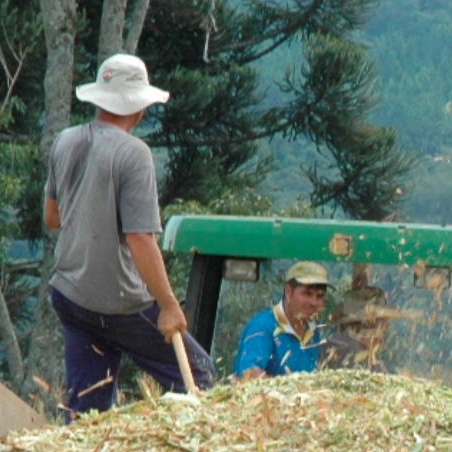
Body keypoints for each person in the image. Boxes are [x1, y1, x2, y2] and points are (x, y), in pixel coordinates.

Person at [43, 53, 216, 422]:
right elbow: (140, 239)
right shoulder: (134, 153)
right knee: (200, 378)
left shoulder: (64, 140)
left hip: (70, 294)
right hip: (119, 301)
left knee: (88, 406)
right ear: (139, 109)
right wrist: (168, 305)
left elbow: (52, 216)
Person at [232, 261, 331, 379]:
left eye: (319, 296)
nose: (314, 303)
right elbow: (250, 374)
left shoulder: (315, 328)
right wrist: (285, 394)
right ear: (288, 292)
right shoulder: (263, 326)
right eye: (307, 294)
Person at [320, 287, 406, 373]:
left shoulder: (361, 348)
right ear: (369, 323)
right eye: (383, 322)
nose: (386, 328)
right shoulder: (346, 351)